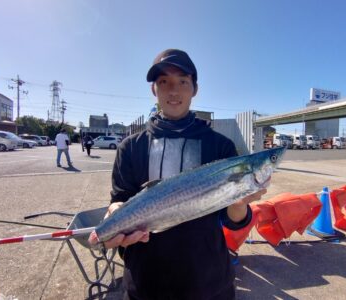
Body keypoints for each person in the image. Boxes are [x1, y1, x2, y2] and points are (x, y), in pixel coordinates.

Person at [89, 49, 266, 300]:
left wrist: (238, 203)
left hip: (208, 283)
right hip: (146, 282)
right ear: (154, 89)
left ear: (195, 88)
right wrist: (115, 214)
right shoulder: (130, 147)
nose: (174, 90)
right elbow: (121, 199)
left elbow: (233, 220)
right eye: (164, 82)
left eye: (182, 81)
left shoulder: (220, 146)